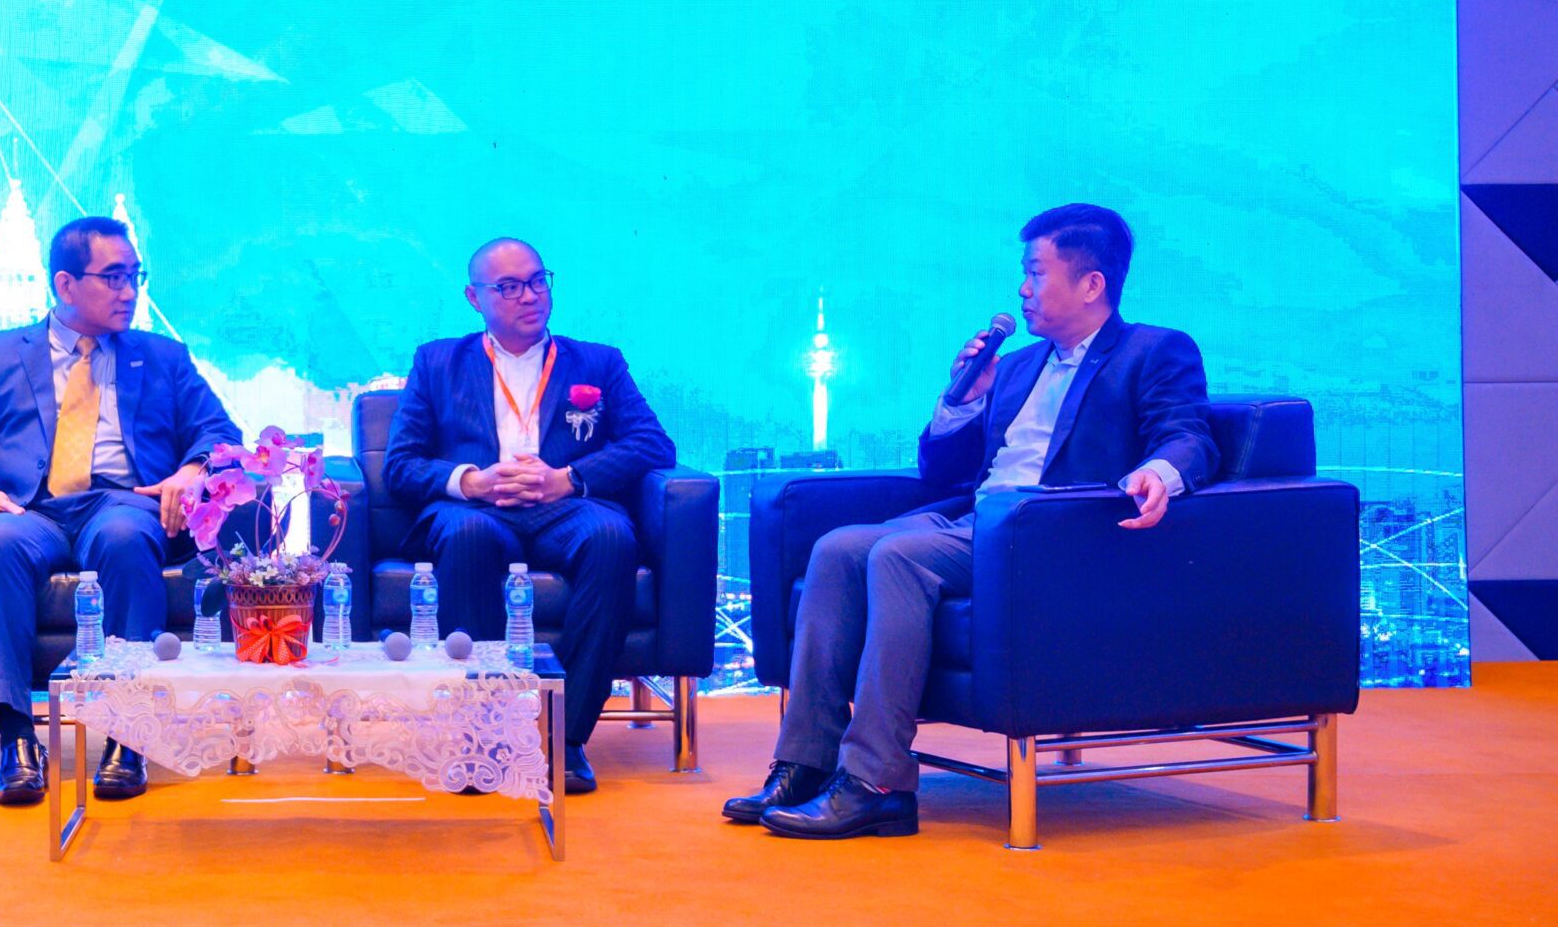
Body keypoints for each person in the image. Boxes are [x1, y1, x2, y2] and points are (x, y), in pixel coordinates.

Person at [728, 203, 1218, 840]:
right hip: (974, 521)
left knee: (895, 557)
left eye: (1036, 273)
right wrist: (962, 399)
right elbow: (941, 471)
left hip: (1046, 536)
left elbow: (1189, 435)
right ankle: (806, 764)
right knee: (838, 548)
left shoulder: (1153, 351)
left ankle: (876, 784)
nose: (1023, 290)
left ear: (1091, 284)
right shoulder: (1017, 366)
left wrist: (1159, 471)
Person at [0, 215, 242, 808]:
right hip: (27, 507)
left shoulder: (163, 357)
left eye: (135, 276)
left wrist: (193, 469)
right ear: (65, 284)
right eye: (113, 277)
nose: (128, 291)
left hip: (120, 501)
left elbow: (221, 434)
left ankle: (127, 735)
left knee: (125, 538)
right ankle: (17, 740)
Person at [382, 238, 676, 795]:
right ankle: (486, 736)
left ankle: (563, 737)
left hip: (566, 506)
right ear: (475, 298)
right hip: (477, 508)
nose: (530, 296)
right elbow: (400, 464)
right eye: (510, 287)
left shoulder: (598, 362)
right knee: (467, 534)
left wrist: (568, 478)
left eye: (538, 281)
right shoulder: (437, 362)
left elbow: (652, 444)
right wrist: (472, 481)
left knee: (612, 538)